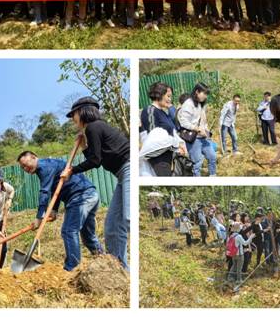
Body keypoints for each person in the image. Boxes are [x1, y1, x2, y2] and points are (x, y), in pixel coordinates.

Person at [61, 97, 130, 269]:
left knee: (128, 218)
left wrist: (72, 170)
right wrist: (84, 146)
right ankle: (120, 271)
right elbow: (95, 156)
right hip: (122, 175)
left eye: (74, 114)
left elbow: (95, 161)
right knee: (112, 226)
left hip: (130, 169)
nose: (73, 119)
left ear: (83, 111)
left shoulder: (93, 127)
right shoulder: (95, 128)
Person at [17, 150, 103, 271]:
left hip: (80, 197)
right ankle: (104, 260)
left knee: (68, 231)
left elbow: (45, 192)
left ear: (34, 157)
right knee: (88, 236)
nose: (25, 168)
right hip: (90, 194)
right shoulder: (49, 165)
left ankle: (72, 268)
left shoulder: (44, 167)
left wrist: (39, 217)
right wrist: (54, 210)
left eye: (26, 164)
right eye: (23, 167)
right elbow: (56, 188)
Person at [140, 82, 184, 176]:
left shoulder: (163, 113)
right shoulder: (150, 111)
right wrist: (176, 146)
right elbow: (154, 139)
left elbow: (176, 127)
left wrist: (178, 146)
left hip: (168, 156)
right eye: (168, 96)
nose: (170, 99)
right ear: (159, 94)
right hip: (158, 159)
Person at [177, 83, 217, 177]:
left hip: (203, 137)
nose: (206, 96)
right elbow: (183, 122)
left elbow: (203, 120)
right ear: (197, 92)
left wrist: (206, 131)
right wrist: (198, 129)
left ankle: (213, 175)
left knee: (212, 157)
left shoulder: (200, 104)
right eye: (204, 93)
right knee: (197, 163)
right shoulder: (188, 104)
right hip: (194, 139)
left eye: (207, 94)